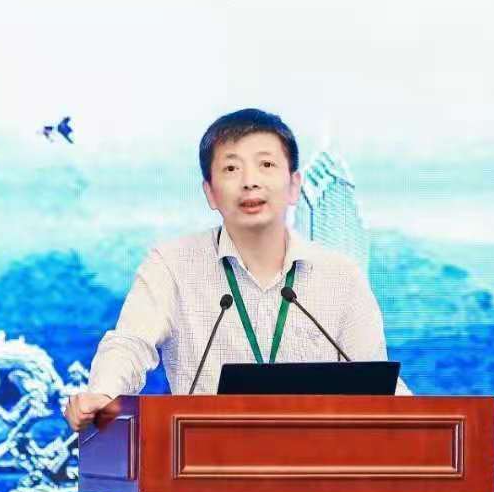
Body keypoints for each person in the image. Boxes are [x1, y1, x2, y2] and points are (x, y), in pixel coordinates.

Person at [63, 108, 400, 430]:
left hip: (323, 459)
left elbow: (376, 384)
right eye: (231, 168)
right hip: (200, 457)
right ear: (210, 192)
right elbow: (130, 344)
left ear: (294, 185)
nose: (250, 181)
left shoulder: (341, 276)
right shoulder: (171, 265)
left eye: (266, 164)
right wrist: (103, 393)